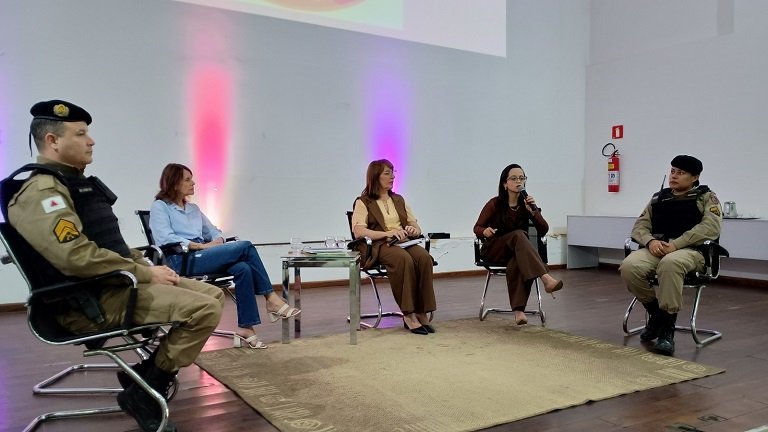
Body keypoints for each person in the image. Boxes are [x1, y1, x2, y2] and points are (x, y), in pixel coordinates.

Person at [5, 99, 225, 432]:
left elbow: (110, 247)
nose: (91, 141)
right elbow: (75, 257)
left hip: (112, 284)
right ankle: (146, 389)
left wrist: (144, 266)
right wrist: (144, 272)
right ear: (52, 141)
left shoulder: (72, 184)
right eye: (80, 134)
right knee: (204, 310)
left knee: (214, 296)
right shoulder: (43, 191)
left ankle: (144, 379)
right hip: (87, 303)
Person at [149, 163, 300, 349]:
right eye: (187, 180)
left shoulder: (193, 208)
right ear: (174, 183)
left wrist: (218, 241)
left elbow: (213, 230)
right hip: (182, 259)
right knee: (246, 246)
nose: (193, 183)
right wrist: (199, 246)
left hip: (203, 254)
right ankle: (271, 299)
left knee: (243, 268)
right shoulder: (160, 207)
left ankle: (246, 328)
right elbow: (165, 238)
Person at [620, 155, 722, 356]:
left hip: (691, 251)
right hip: (658, 248)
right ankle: (657, 316)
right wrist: (650, 241)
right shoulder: (658, 198)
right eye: (673, 171)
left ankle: (667, 331)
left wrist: (676, 244)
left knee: (670, 263)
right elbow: (640, 226)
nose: (674, 176)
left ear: (695, 177)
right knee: (630, 266)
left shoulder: (706, 197)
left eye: (681, 173)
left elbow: (710, 228)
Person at [351, 159, 436, 335]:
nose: (392, 177)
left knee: (424, 258)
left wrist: (413, 229)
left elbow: (414, 224)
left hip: (402, 241)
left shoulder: (398, 200)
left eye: (393, 172)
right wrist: (387, 233)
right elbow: (358, 231)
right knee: (403, 259)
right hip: (379, 244)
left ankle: (421, 311)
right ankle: (408, 314)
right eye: (387, 173)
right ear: (375, 176)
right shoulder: (363, 201)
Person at [473, 164, 563, 325]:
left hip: (516, 252)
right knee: (519, 235)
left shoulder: (526, 205)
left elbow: (543, 229)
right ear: (505, 184)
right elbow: (477, 227)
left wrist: (533, 212)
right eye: (513, 178)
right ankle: (545, 278)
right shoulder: (494, 203)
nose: (518, 181)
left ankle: (519, 311)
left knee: (518, 260)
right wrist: (484, 231)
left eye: (522, 178)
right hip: (495, 249)